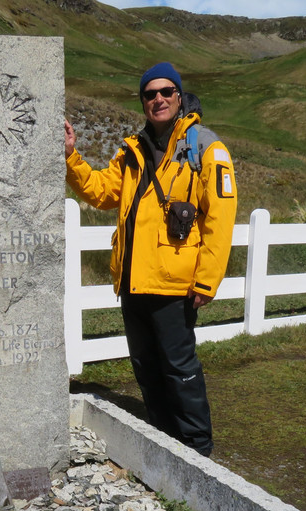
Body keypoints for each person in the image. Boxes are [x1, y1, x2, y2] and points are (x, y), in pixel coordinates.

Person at [64, 62, 237, 457]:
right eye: (149, 94)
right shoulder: (132, 150)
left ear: (179, 96)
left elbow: (220, 219)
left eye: (166, 92)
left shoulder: (207, 147)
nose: (158, 99)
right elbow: (102, 192)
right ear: (143, 102)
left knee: (179, 370)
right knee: (146, 367)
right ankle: (164, 442)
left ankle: (198, 451)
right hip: (133, 282)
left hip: (175, 284)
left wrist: (207, 280)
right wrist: (72, 158)